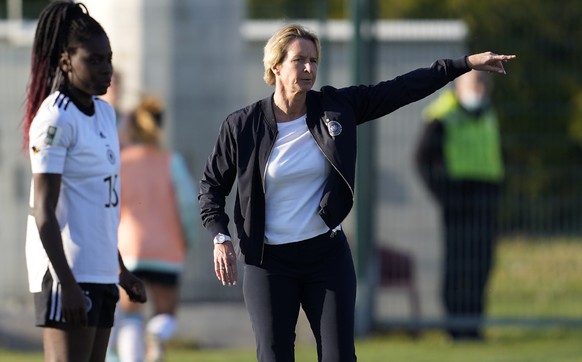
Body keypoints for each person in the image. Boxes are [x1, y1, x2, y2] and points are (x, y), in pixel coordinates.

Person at [198, 23, 515, 361]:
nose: (309, 68)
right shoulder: (242, 126)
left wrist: (462, 64)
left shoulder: (335, 109)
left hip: (325, 257)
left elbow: (400, 89)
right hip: (268, 264)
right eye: (299, 60)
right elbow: (211, 189)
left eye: (314, 60)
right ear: (276, 65)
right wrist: (221, 238)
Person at [22, 2, 147, 361]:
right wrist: (66, 282)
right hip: (69, 273)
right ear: (66, 61)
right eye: (93, 60)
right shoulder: (55, 119)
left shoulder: (106, 115)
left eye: (108, 59)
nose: (105, 68)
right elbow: (44, 212)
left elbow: (98, 206)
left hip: (103, 271)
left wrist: (121, 270)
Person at [415, 70, 504, 340]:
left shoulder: (487, 112)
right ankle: (455, 328)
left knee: (482, 264)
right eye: (475, 82)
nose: (481, 89)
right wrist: (445, 195)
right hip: (458, 199)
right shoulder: (443, 114)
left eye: (484, 83)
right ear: (459, 85)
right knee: (458, 265)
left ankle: (474, 326)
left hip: (486, 199)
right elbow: (422, 159)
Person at [110, 96, 198, 362]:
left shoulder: (121, 163)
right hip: (167, 250)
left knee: (131, 316)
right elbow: (187, 206)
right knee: (165, 315)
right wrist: (186, 239)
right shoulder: (172, 161)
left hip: (130, 249)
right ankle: (157, 336)